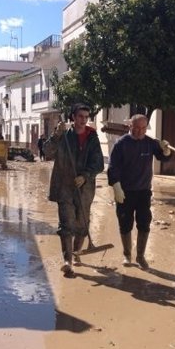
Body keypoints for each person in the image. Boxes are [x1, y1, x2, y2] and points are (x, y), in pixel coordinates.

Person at [44, 104, 104, 275]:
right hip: (64, 186)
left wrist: (85, 175)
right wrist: (56, 135)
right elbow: (47, 151)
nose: (83, 120)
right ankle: (67, 260)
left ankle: (77, 253)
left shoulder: (92, 137)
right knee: (66, 224)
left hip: (85, 188)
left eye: (86, 117)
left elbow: (98, 163)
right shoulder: (63, 135)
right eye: (80, 116)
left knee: (82, 224)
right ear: (73, 117)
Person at [107, 114, 172, 270]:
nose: (140, 131)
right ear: (130, 126)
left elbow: (163, 158)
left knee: (144, 224)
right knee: (125, 224)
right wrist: (116, 186)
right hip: (124, 191)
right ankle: (127, 255)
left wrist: (166, 151)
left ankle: (140, 256)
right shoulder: (121, 144)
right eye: (136, 127)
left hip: (143, 192)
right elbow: (113, 168)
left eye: (143, 128)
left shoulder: (150, 143)